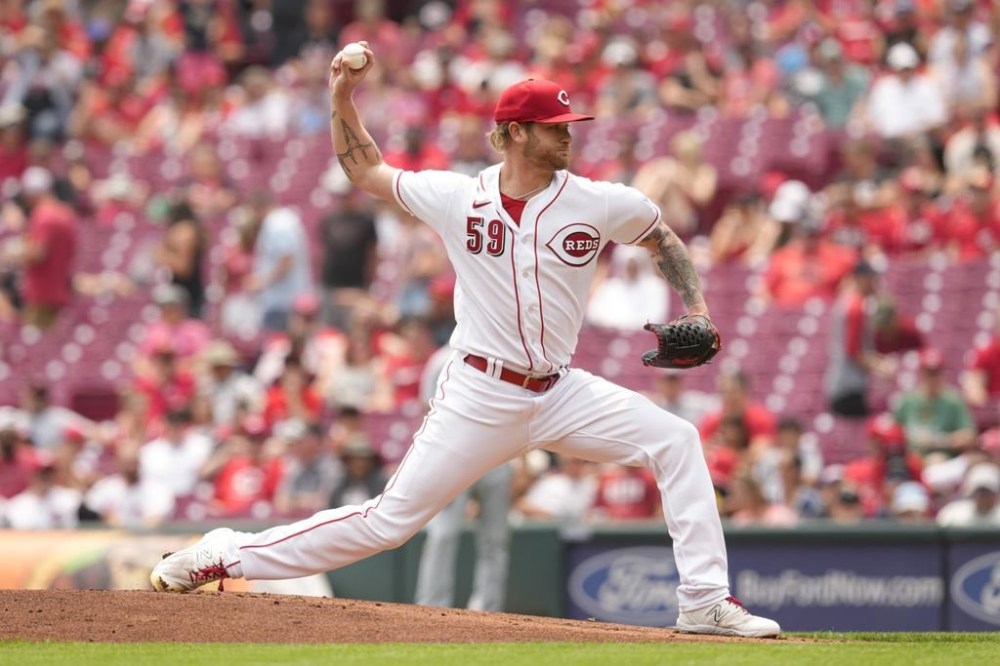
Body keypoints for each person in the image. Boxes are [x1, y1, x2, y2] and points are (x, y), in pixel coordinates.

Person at [151, 47, 781, 637]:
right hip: (480, 391)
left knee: (676, 438)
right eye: (554, 126)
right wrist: (342, 97)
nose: (568, 134)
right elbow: (367, 170)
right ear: (515, 133)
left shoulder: (597, 201)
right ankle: (225, 553)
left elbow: (661, 236)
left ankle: (704, 601)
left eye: (568, 124)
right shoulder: (459, 197)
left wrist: (698, 308)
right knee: (389, 522)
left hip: (561, 390)